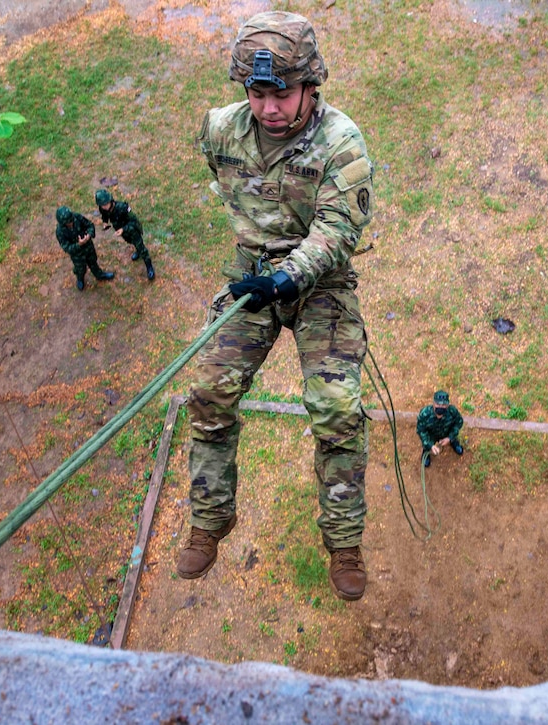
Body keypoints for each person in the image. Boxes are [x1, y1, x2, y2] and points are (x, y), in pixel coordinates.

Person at [178, 11, 375, 602]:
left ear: (312, 85)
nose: (269, 108)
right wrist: (260, 270)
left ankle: (343, 539)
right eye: (257, 93)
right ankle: (211, 520)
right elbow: (221, 175)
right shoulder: (219, 131)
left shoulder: (342, 143)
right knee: (210, 389)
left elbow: (339, 230)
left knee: (337, 407)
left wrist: (288, 277)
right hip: (252, 276)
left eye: (282, 93)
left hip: (322, 285)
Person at [95, 190, 155, 281]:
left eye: (106, 204)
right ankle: (138, 252)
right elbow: (105, 215)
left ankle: (149, 266)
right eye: (103, 205)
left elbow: (134, 221)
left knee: (141, 248)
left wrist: (123, 229)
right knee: (130, 242)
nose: (105, 207)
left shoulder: (123, 207)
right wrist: (105, 222)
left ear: (110, 200)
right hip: (123, 232)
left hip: (133, 230)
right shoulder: (102, 208)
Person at [55, 205, 114, 290]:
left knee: (93, 262)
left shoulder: (77, 217)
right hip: (77, 255)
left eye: (71, 220)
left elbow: (90, 225)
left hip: (88, 247)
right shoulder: (60, 231)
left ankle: (99, 275)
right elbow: (66, 247)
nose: (71, 223)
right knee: (80, 269)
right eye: (68, 222)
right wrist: (78, 244)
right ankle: (80, 279)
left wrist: (89, 235)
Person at [416, 391, 465, 468]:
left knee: (453, 439)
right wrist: (430, 445)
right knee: (427, 446)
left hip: (447, 432)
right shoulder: (425, 414)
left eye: (443, 405)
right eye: (438, 404)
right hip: (431, 435)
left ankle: (454, 443)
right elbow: (421, 430)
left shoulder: (452, 411)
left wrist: (450, 437)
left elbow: (459, 422)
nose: (440, 407)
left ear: (448, 405)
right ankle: (426, 453)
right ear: (433, 403)